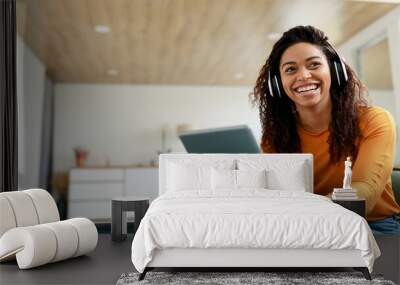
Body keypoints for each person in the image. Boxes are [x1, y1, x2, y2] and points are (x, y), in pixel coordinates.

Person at [251, 25, 400, 234]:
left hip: (372, 226)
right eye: (290, 69)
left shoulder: (375, 120)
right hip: (307, 226)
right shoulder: (275, 137)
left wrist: (305, 208)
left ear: (335, 71)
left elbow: (364, 194)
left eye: (314, 64)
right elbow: (277, 198)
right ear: (277, 84)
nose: (303, 75)